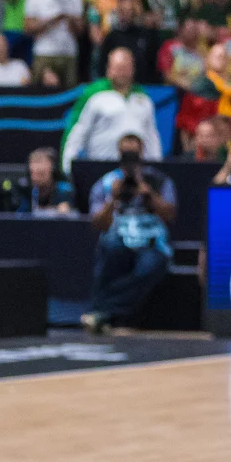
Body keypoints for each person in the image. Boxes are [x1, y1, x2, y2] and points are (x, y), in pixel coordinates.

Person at [82, 135, 175, 331]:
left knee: (148, 267)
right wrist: (113, 199)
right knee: (109, 249)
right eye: (126, 154)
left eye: (134, 153)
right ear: (119, 154)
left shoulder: (157, 180)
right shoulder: (107, 183)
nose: (131, 158)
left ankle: (101, 312)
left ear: (142, 153)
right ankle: (103, 314)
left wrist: (149, 195)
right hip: (118, 237)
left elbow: (170, 215)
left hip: (151, 241)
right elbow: (97, 223)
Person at [61, 47, 162, 163]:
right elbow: (78, 132)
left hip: (133, 166)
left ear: (133, 69)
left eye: (125, 68)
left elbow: (151, 137)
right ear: (109, 69)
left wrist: (156, 164)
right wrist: (68, 162)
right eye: (118, 68)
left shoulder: (143, 98)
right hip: (100, 163)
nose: (122, 73)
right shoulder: (94, 95)